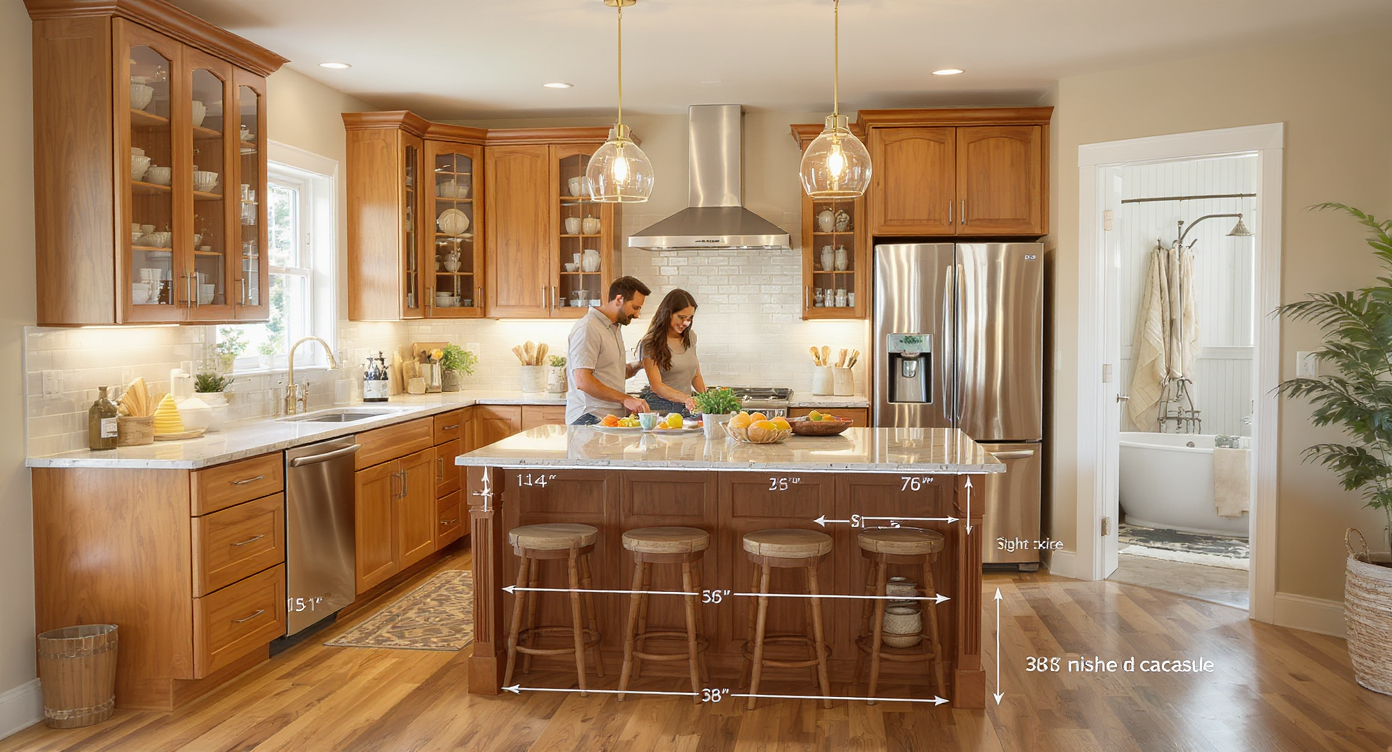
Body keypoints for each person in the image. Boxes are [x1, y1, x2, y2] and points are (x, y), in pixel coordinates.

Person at [566, 276, 651, 425]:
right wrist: (625, 398)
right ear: (619, 299)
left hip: (608, 420)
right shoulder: (588, 328)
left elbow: (611, 373)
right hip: (589, 419)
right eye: (635, 307)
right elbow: (583, 380)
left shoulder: (614, 328)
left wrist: (639, 365)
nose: (637, 314)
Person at [636, 288, 706, 416]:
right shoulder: (650, 342)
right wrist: (685, 398)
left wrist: (708, 400)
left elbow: (696, 376)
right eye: (681, 317)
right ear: (668, 313)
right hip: (660, 408)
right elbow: (656, 386)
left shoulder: (690, 337)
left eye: (690, 318)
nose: (686, 323)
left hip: (685, 408)